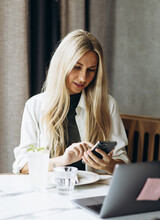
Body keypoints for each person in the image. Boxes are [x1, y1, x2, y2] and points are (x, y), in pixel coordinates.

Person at [13, 29, 129, 175]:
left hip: (92, 191)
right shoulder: (34, 106)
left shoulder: (107, 104)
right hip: (51, 192)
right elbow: (22, 165)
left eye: (91, 70)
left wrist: (109, 165)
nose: (83, 78)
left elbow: (123, 161)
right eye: (77, 67)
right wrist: (61, 161)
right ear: (62, 65)